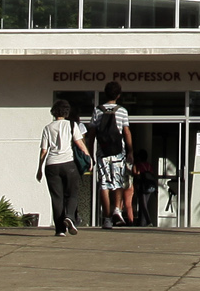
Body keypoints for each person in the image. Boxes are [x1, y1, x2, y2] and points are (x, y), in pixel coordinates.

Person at [87, 80, 134, 227]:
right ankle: (117, 209)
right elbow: (126, 131)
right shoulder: (122, 111)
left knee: (104, 185)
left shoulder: (98, 111)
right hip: (118, 153)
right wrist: (130, 151)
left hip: (102, 153)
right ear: (118, 95)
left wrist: (89, 152)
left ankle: (106, 218)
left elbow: (92, 132)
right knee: (118, 182)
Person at [38, 95, 88, 234]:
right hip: (69, 164)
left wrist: (40, 169)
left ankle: (60, 229)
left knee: (56, 197)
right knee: (72, 194)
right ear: (67, 112)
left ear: (54, 112)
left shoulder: (47, 128)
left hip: (51, 165)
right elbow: (80, 143)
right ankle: (70, 217)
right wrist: (88, 158)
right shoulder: (72, 125)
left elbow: (43, 150)